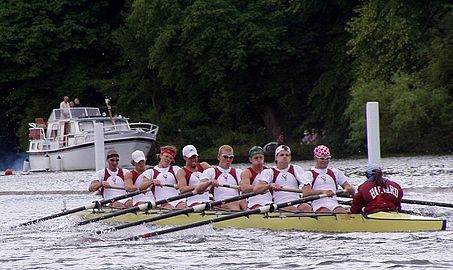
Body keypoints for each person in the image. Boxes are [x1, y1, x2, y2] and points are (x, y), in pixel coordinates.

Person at [254, 145, 314, 212]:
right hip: (280, 204)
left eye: (287, 155)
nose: (284, 157)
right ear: (276, 157)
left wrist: (306, 188)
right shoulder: (269, 172)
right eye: (282, 155)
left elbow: (307, 188)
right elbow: (256, 190)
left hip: (297, 202)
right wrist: (270, 185)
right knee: (294, 210)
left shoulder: (296, 169)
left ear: (290, 158)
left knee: (307, 207)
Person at [301, 145, 355, 213]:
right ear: (315, 158)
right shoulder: (309, 174)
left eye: (327, 158)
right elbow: (306, 192)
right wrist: (323, 192)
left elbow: (347, 186)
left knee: (341, 212)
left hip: (334, 205)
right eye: (322, 158)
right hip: (319, 206)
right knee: (327, 212)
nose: (325, 161)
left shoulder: (336, 172)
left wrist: (349, 189)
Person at [200, 145, 243, 210]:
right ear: (219, 157)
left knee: (244, 201)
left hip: (236, 202)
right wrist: (209, 182)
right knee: (234, 204)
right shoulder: (210, 172)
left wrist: (244, 187)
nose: (228, 159)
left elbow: (244, 186)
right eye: (225, 157)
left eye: (231, 157)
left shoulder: (238, 172)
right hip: (220, 204)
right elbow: (199, 187)